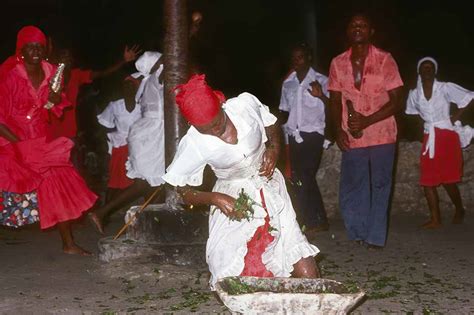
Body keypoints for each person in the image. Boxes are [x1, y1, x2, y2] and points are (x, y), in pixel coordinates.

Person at [162, 75, 320, 290]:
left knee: (300, 260)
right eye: (205, 130)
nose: (215, 132)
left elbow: (271, 125)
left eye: (217, 124)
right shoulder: (193, 143)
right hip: (233, 198)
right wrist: (215, 198)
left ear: (221, 104)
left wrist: (273, 149)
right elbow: (182, 190)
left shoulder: (245, 105)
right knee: (232, 271)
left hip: (269, 186)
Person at [0, 25, 98, 255]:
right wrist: (19, 146)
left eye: (39, 46)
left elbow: (50, 108)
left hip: (39, 139)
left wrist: (54, 99)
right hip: (10, 139)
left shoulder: (50, 71)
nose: (35, 50)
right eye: (30, 46)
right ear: (21, 50)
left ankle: (68, 243)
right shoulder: (9, 75)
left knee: (60, 182)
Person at [328, 14, 403, 249]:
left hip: (382, 131)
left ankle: (375, 236)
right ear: (348, 31)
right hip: (352, 133)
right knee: (353, 184)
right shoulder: (337, 63)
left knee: (381, 184)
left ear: (371, 31)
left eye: (363, 25)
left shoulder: (384, 59)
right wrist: (337, 131)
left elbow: (397, 100)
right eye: (353, 25)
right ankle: (358, 231)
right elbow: (334, 100)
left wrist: (368, 120)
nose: (357, 28)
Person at [90, 52, 165, 233]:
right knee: (145, 183)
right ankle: (102, 212)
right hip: (151, 136)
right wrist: (191, 30)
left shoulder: (149, 82)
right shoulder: (155, 79)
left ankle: (146, 224)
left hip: (148, 134)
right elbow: (171, 59)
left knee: (158, 184)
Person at [406, 57, 474, 228]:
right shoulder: (414, 94)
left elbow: (469, 97)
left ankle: (459, 209)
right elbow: (412, 113)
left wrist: (455, 117)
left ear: (435, 71)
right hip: (430, 137)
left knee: (448, 180)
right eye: (424, 68)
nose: (427, 71)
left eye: (430, 68)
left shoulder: (445, 87)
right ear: (419, 72)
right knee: (427, 179)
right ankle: (435, 219)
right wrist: (423, 128)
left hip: (447, 135)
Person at [48, 45, 141, 167]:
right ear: (56, 60)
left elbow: (102, 73)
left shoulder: (76, 75)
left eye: (69, 58)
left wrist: (123, 61)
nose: (66, 60)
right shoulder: (48, 75)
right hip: (50, 132)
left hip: (70, 132)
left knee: (73, 169)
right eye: (63, 57)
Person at [279, 43, 330, 235]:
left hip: (313, 134)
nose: (296, 61)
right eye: (293, 58)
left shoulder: (322, 81)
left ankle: (311, 220)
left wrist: (322, 96)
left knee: (305, 175)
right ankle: (312, 220)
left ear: (309, 58)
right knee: (299, 178)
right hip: (293, 135)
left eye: (300, 57)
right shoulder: (288, 83)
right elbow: (285, 111)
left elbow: (334, 107)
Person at [96, 75, 142, 200]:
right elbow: (104, 124)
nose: (128, 89)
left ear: (136, 89)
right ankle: (109, 204)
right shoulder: (115, 106)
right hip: (120, 142)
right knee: (116, 177)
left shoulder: (142, 106)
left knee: (139, 174)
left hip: (139, 142)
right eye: (125, 86)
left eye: (131, 86)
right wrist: (106, 143)